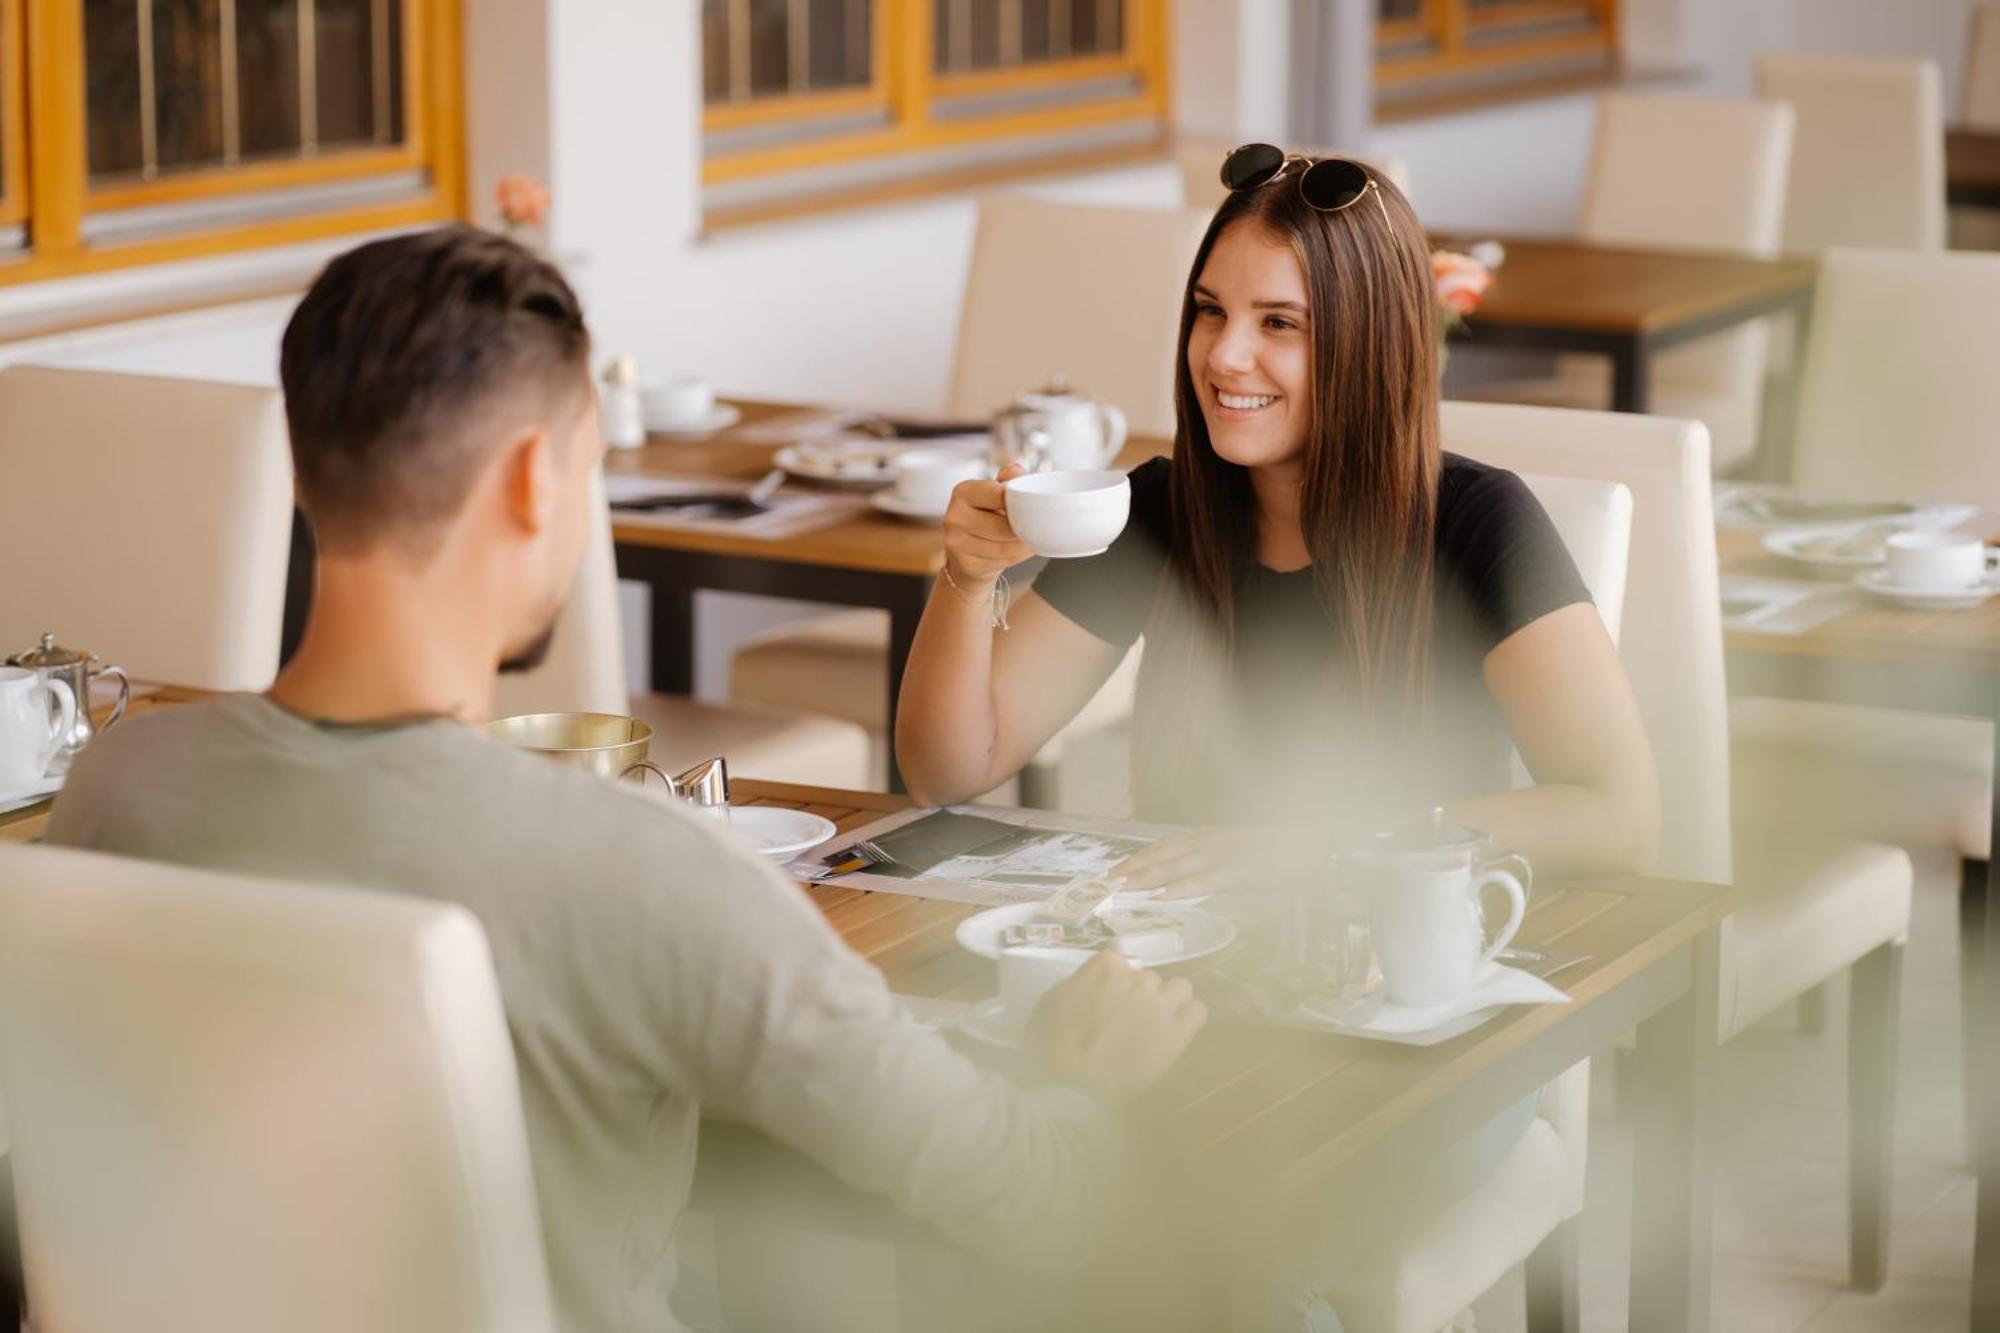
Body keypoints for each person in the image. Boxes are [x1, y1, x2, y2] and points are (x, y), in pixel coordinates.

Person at [45, 227, 1206, 1332]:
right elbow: (1035, 1198)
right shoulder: (641, 867)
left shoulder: (119, 786)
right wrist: (1088, 1076)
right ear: (529, 484)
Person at [895, 149, 1660, 889]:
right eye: (1210, 311)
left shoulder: (1479, 524)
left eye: (1278, 324)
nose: (1224, 355)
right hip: (1182, 968)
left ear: (1369, 342)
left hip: (1391, 965)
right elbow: (947, 770)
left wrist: (1328, 850)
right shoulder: (1159, 511)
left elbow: (1620, 815)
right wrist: (967, 579)